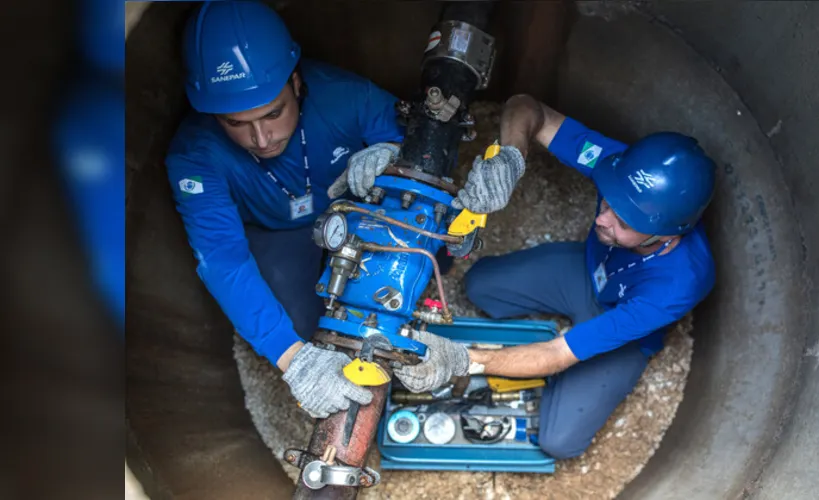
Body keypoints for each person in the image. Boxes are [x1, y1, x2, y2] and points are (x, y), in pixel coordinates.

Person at [348, 94, 717, 459]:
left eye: (624, 222)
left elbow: (558, 352)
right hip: (587, 271)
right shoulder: (622, 173)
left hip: (623, 320)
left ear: (667, 235)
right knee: (480, 285)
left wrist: (463, 360)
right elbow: (528, 108)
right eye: (608, 201)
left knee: (559, 442)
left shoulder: (677, 285)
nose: (603, 218)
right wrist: (511, 157)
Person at [165, 1, 408, 419]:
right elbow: (223, 259)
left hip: (353, 209)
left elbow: (417, 150)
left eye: (273, 113)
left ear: (296, 82)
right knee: (304, 331)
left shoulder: (345, 95)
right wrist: (293, 357)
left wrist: (393, 154)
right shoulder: (195, 156)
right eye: (235, 123)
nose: (261, 138)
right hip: (277, 233)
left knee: (408, 276)